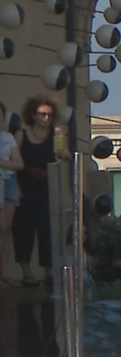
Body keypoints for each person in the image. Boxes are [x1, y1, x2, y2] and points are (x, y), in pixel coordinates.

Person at [12, 97, 57, 286]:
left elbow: (63, 157)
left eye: (49, 114)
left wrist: (65, 153)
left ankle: (49, 271)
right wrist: (16, 187)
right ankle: (27, 272)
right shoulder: (21, 135)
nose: (46, 118)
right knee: (24, 229)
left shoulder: (57, 134)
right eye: (42, 114)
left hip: (47, 188)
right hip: (25, 188)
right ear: (33, 115)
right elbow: (12, 164)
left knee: (48, 229)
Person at [0, 100, 21, 286]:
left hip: (9, 181)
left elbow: (19, 163)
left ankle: (4, 273)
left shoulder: (8, 137)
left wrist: (3, 164)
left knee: (6, 229)